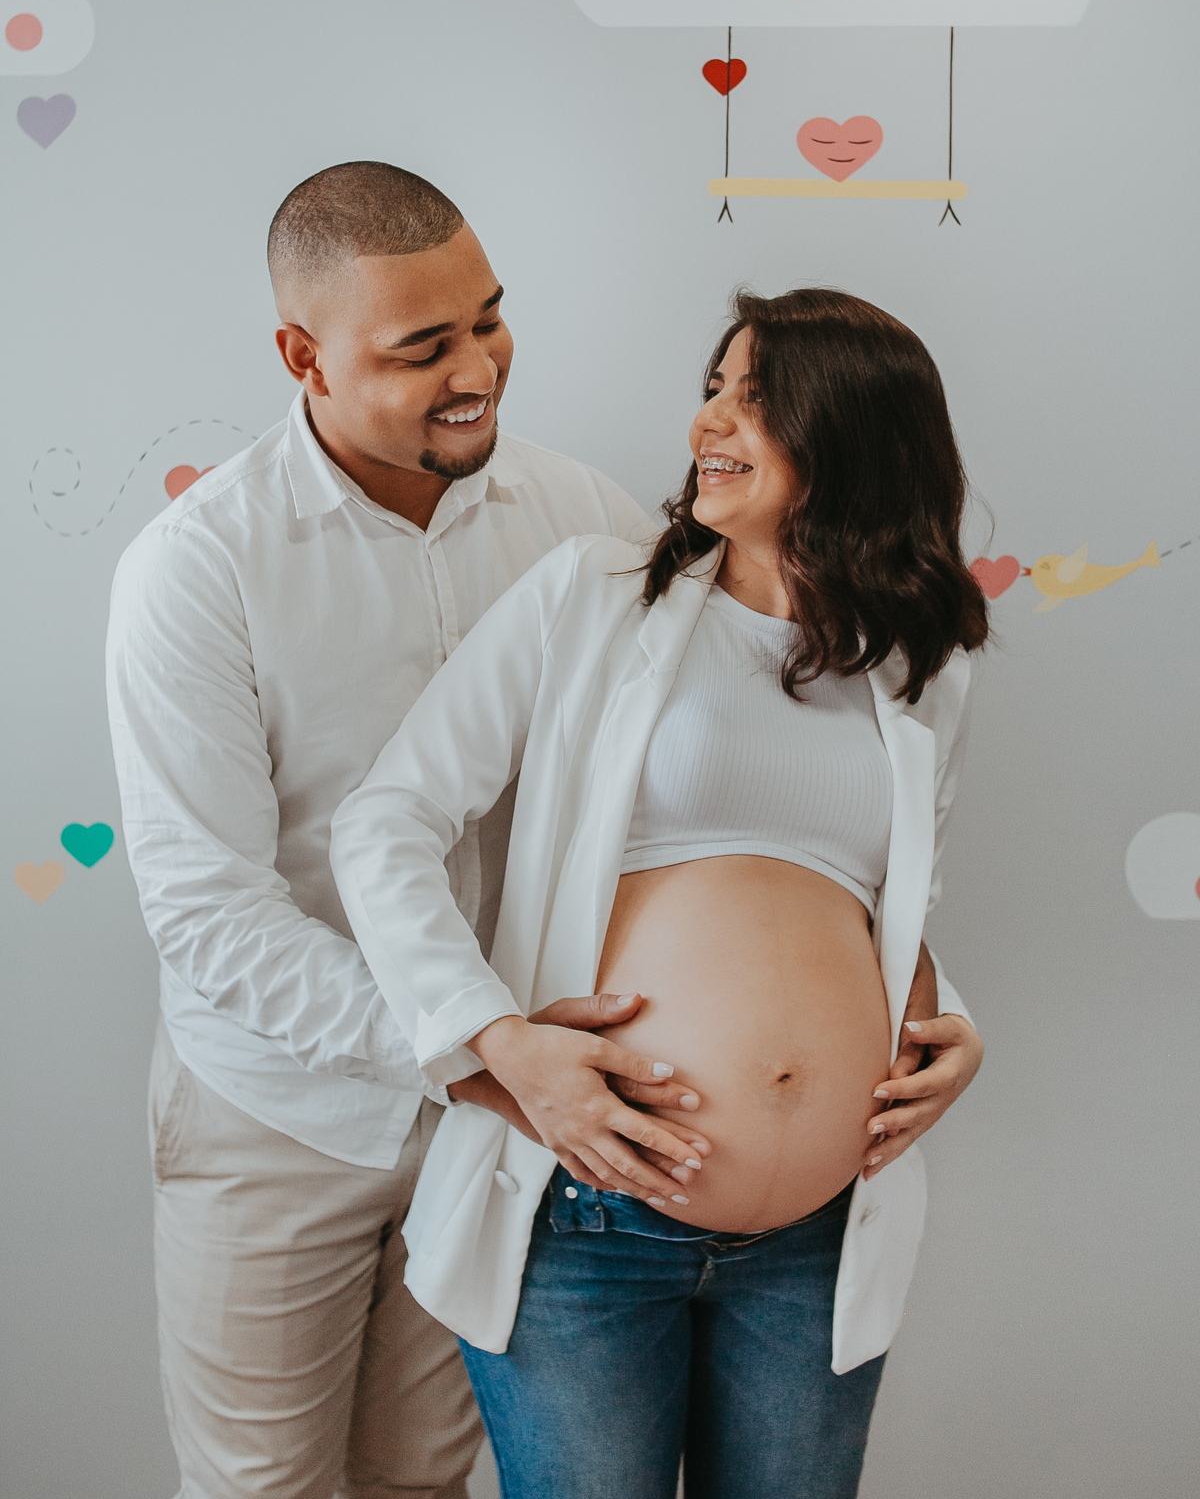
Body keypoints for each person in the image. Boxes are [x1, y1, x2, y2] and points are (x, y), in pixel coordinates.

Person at [105, 161, 704, 1499]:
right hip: (276, 1116)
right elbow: (209, 910)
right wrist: (475, 1051)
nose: (479, 367)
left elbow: (703, 796)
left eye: (488, 318)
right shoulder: (196, 571)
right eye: (423, 347)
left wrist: (904, 984)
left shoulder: (590, 524)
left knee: (424, 1489)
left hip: (504, 1126)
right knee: (262, 1489)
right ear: (302, 357)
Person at [329, 287, 988, 1499]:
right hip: (590, 1216)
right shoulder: (595, 593)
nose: (706, 425)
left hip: (815, 1238)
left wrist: (953, 1032)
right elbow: (386, 822)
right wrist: (497, 1047)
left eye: (755, 399)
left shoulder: (919, 669)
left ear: (852, 437)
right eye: (711, 388)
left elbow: (885, 913)